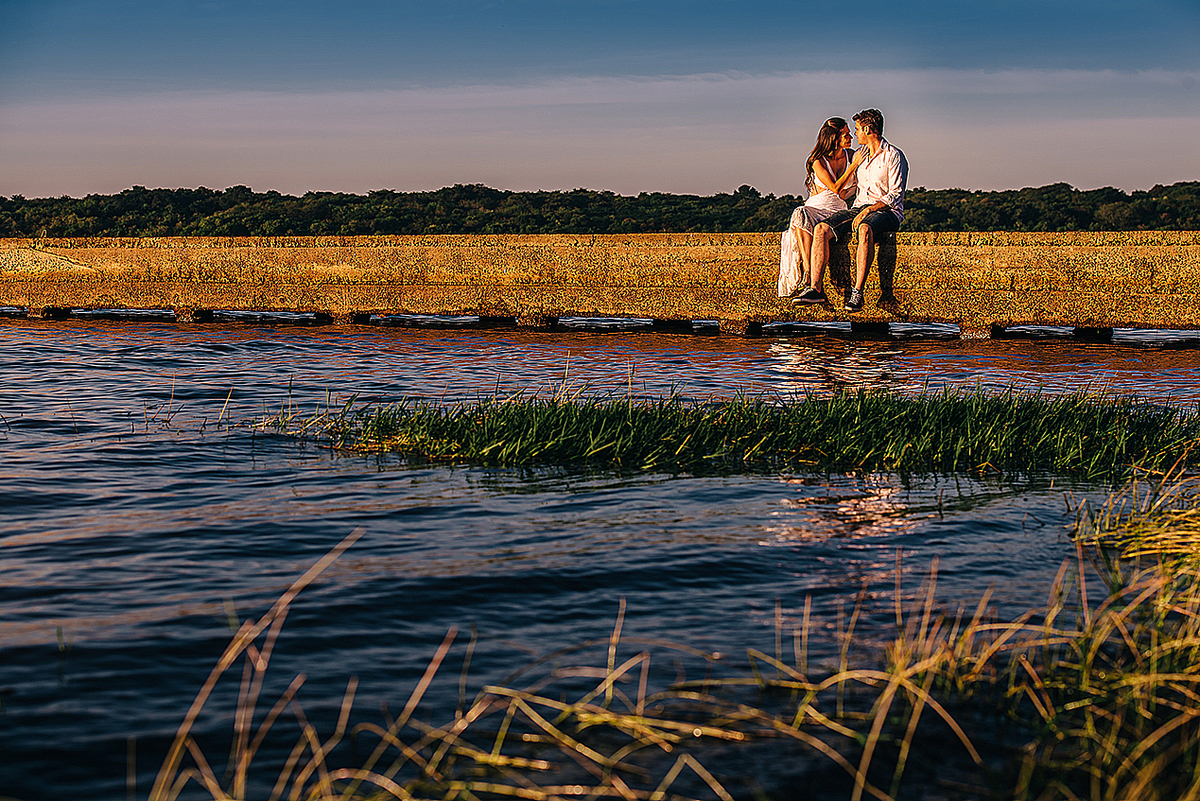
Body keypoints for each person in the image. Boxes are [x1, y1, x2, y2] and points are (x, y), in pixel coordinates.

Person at [794, 108, 907, 312]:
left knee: (864, 229)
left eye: (856, 129)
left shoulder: (894, 155)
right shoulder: (859, 157)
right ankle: (815, 289)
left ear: (867, 129)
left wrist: (869, 210)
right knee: (821, 229)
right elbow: (846, 186)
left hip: (886, 211)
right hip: (859, 208)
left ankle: (857, 293)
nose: (855, 134)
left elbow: (895, 195)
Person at [777, 118, 865, 298]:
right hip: (817, 208)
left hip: (838, 210)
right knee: (800, 213)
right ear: (834, 138)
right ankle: (810, 276)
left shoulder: (851, 155)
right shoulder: (818, 161)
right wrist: (854, 166)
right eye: (846, 135)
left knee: (804, 218)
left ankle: (811, 281)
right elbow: (835, 187)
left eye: (850, 134)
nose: (850, 138)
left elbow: (845, 192)